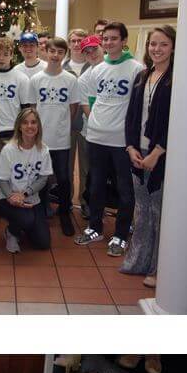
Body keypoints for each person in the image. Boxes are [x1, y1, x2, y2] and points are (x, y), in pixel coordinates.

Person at [74, 22, 145, 256]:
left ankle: (121, 234)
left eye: (114, 38)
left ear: (124, 41)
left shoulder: (136, 69)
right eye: (105, 39)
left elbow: (140, 105)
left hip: (121, 141)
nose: (108, 43)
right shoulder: (97, 69)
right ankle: (95, 227)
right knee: (96, 187)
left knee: (125, 190)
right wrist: (93, 117)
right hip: (96, 136)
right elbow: (87, 95)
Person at [120, 26, 175, 288]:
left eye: (163, 44)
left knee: (158, 212)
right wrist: (131, 147)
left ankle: (158, 268)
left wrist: (157, 152)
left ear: (173, 47)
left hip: (161, 155)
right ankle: (137, 261)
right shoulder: (143, 76)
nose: (157, 49)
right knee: (141, 211)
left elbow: (175, 122)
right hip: (138, 152)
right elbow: (131, 116)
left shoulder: (177, 79)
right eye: (153, 44)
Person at [30, 37, 80, 236]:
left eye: (60, 52)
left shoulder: (70, 79)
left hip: (60, 139)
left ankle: (65, 211)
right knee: (41, 176)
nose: (55, 55)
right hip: (41, 139)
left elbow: (73, 107)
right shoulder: (36, 79)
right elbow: (32, 109)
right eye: (52, 51)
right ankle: (42, 209)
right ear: (46, 52)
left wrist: (62, 125)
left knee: (63, 177)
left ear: (64, 55)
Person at [0, 37, 33, 213]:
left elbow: (26, 108)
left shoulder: (21, 78)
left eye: (6, 54)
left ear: (12, 55)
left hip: (14, 132)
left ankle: (14, 203)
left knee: (14, 170)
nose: (2, 57)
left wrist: (24, 134)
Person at [0, 107, 53, 253]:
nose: (30, 126)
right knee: (26, 219)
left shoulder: (43, 150)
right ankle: (12, 232)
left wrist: (25, 194)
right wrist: (11, 197)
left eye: (33, 122)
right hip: (6, 197)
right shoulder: (9, 149)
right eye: (25, 123)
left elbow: (43, 178)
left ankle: (25, 225)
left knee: (43, 243)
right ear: (19, 126)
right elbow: (2, 180)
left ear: (38, 126)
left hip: (30, 198)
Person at [74, 35, 106, 218]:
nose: (91, 54)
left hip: (117, 136)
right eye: (87, 52)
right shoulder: (84, 79)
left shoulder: (119, 70)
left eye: (94, 49)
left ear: (103, 47)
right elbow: (87, 109)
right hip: (92, 134)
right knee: (90, 172)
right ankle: (90, 205)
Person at [64, 29, 90, 208]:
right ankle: (66, 201)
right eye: (72, 40)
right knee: (66, 166)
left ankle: (85, 200)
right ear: (68, 43)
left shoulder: (94, 66)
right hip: (66, 124)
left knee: (87, 167)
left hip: (89, 125)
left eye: (80, 40)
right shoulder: (61, 67)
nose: (76, 44)